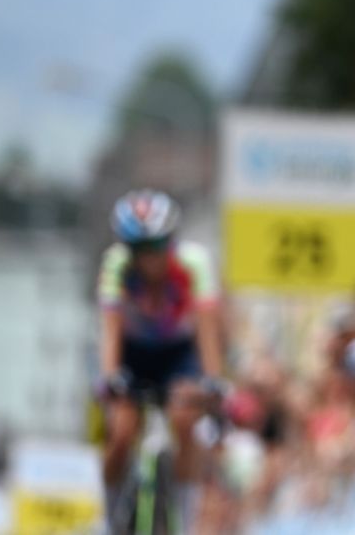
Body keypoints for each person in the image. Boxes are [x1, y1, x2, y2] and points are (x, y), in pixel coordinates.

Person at [96, 189, 225, 505]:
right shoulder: (116, 265)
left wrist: (213, 380)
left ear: (170, 240)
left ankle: (184, 512)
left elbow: (207, 329)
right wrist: (111, 377)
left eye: (156, 246)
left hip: (178, 353)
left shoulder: (193, 262)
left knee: (185, 422)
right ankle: (109, 515)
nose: (148, 257)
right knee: (122, 431)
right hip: (133, 352)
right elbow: (110, 330)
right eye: (138, 248)